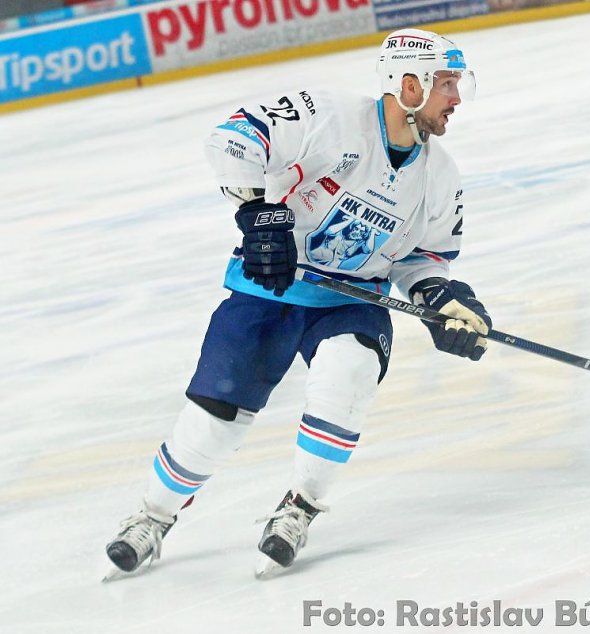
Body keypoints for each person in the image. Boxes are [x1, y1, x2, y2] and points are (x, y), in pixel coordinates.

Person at [104, 28, 492, 577]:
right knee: (216, 420)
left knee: (349, 374)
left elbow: (423, 257)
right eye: (447, 84)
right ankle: (154, 514)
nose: (456, 98)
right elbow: (233, 138)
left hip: (352, 303)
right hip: (270, 287)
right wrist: (255, 213)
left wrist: (440, 296)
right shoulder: (328, 116)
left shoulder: (441, 175)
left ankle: (300, 507)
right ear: (410, 85)